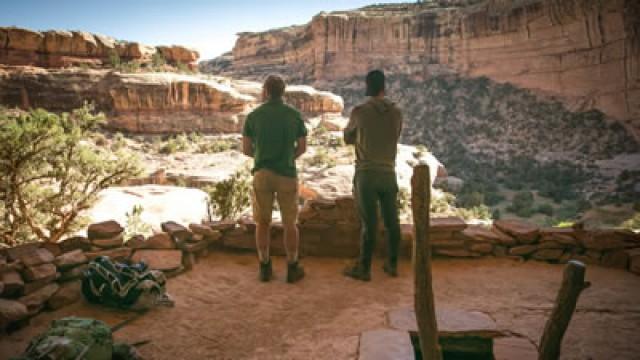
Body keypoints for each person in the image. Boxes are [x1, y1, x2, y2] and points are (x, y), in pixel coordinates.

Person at [242, 75, 308, 283]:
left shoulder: (254, 116)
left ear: (265, 91)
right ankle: (292, 267)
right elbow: (302, 147)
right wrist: (287, 157)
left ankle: (264, 267)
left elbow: (246, 149)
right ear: (283, 91)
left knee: (262, 223)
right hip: (287, 174)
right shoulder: (294, 115)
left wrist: (263, 157)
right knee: (290, 224)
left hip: (262, 174)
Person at [343, 70, 403, 282]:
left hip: (366, 173)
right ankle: (392, 264)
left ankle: (364, 267)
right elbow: (396, 135)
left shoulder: (359, 111)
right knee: (392, 221)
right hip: (388, 172)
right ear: (383, 86)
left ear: (367, 86)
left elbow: (347, 137)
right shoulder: (397, 112)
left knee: (369, 223)